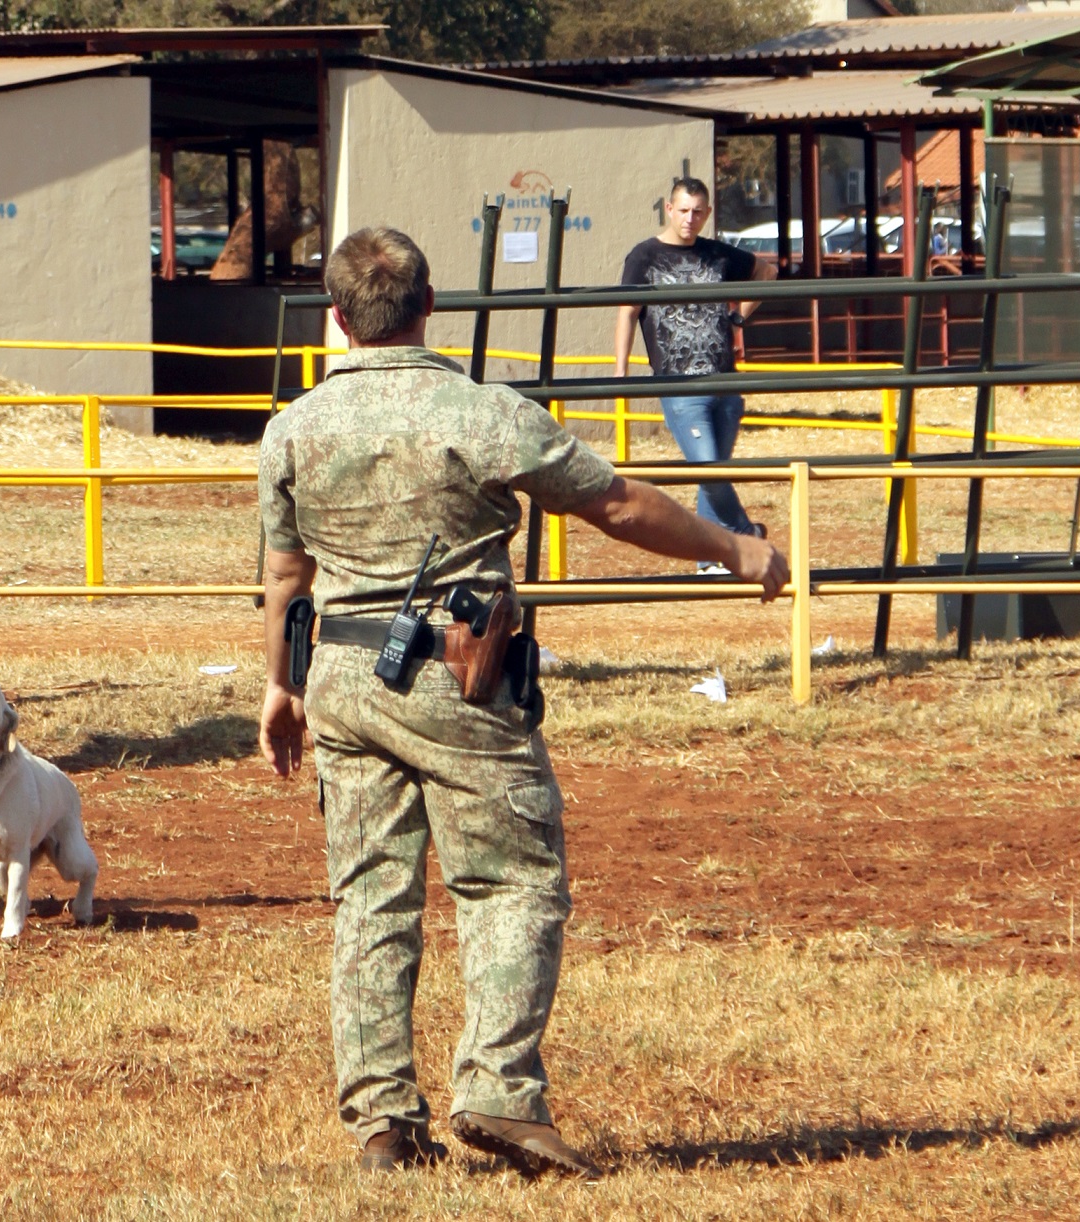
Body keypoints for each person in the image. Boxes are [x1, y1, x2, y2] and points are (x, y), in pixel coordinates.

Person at [258, 227, 787, 1177]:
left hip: (339, 678)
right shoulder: (486, 413)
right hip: (457, 676)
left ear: (336, 319)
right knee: (512, 881)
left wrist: (279, 684)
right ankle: (499, 1092)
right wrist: (735, 546)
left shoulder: (293, 428)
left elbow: (284, 572)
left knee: (370, 897)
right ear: (430, 306)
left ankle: (383, 1125)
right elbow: (616, 504)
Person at [613, 175, 779, 568]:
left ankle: (709, 561)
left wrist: (739, 316)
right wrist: (620, 371)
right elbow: (627, 312)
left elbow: (767, 273)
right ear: (669, 209)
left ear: (707, 214)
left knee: (712, 476)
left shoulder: (717, 254)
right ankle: (746, 536)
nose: (690, 219)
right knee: (709, 471)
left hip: (725, 380)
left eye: (698, 212)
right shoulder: (644, 256)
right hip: (680, 385)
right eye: (684, 210)